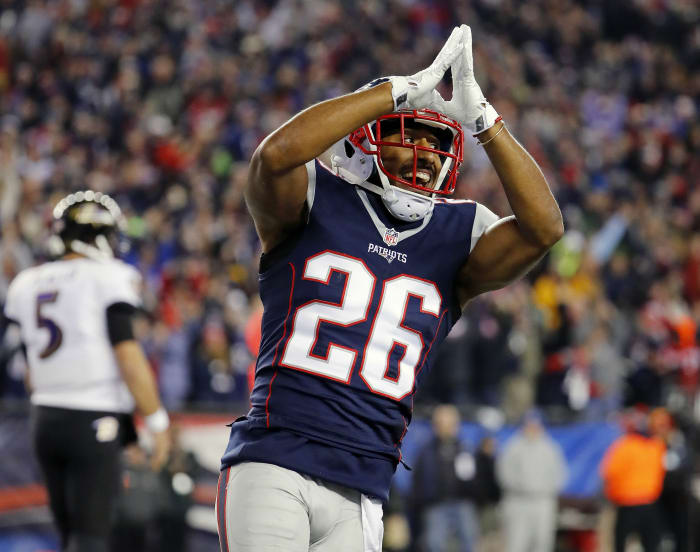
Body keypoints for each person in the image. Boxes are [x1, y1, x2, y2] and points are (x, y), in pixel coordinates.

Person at [218, 24, 563, 551]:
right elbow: (275, 155)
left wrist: (483, 121)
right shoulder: (316, 199)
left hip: (364, 485)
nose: (425, 154)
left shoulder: (455, 233)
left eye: (437, 143)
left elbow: (544, 228)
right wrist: (395, 90)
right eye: (409, 136)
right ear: (365, 137)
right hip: (275, 459)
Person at [2, 191, 171, 552]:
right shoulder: (109, 277)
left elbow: (28, 369)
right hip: (93, 419)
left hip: (44, 418)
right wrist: (156, 421)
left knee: (68, 536)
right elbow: (127, 354)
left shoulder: (26, 283)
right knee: (91, 537)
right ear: (99, 235)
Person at [410, 404, 481, 552]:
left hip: (462, 501)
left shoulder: (464, 448)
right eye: (442, 423)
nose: (446, 427)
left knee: (469, 542)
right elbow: (419, 479)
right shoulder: (426, 450)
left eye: (450, 423)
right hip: (436, 503)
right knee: (435, 544)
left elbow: (473, 477)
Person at [496, 411, 568, 552]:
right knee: (516, 542)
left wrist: (545, 489)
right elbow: (504, 474)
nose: (533, 428)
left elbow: (559, 475)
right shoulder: (513, 447)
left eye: (536, 425)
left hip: (543, 501)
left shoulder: (550, 448)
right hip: (518, 501)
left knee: (542, 543)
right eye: (529, 425)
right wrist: (523, 486)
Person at [600, 408, 667, 552]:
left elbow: (608, 472)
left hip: (630, 504)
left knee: (622, 544)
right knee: (650, 544)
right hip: (644, 503)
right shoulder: (656, 446)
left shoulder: (625, 446)